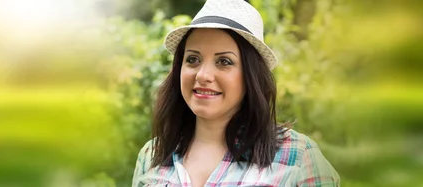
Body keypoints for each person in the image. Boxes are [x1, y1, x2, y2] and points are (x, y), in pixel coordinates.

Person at [131, 0, 340, 186]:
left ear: (251, 76)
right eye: (193, 59)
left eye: (224, 61)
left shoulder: (298, 156)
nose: (203, 75)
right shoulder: (152, 155)